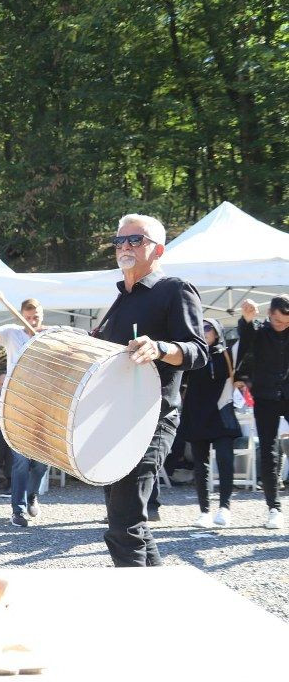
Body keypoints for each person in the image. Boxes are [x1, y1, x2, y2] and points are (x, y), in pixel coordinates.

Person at [91, 213, 207, 567]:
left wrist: (160, 348)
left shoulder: (174, 289)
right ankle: (159, 596)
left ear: (159, 250)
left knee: (123, 523)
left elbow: (198, 351)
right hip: (113, 420)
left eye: (134, 240)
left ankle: (138, 610)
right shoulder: (118, 301)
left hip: (151, 419)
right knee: (129, 522)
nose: (124, 246)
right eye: (119, 241)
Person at [0, 299, 52, 527]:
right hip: (17, 406)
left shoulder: (50, 335)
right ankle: (17, 511)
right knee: (19, 461)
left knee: (41, 463)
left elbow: (81, 337)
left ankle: (32, 494)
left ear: (42, 314)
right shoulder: (11, 333)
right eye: (28, 317)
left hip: (43, 407)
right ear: (21, 316)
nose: (32, 321)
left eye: (36, 316)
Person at [179, 319, 241, 528]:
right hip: (197, 413)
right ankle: (204, 511)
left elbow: (247, 344)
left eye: (208, 328)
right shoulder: (193, 354)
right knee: (200, 464)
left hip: (221, 411)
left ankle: (225, 507)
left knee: (225, 460)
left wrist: (247, 322)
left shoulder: (227, 353)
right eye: (201, 328)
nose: (204, 332)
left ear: (217, 332)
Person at [236, 295, 289, 529]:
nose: (281, 324)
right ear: (269, 313)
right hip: (266, 397)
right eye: (277, 320)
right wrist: (246, 320)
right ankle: (273, 508)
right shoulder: (259, 331)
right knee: (268, 451)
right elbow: (244, 342)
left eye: (286, 321)